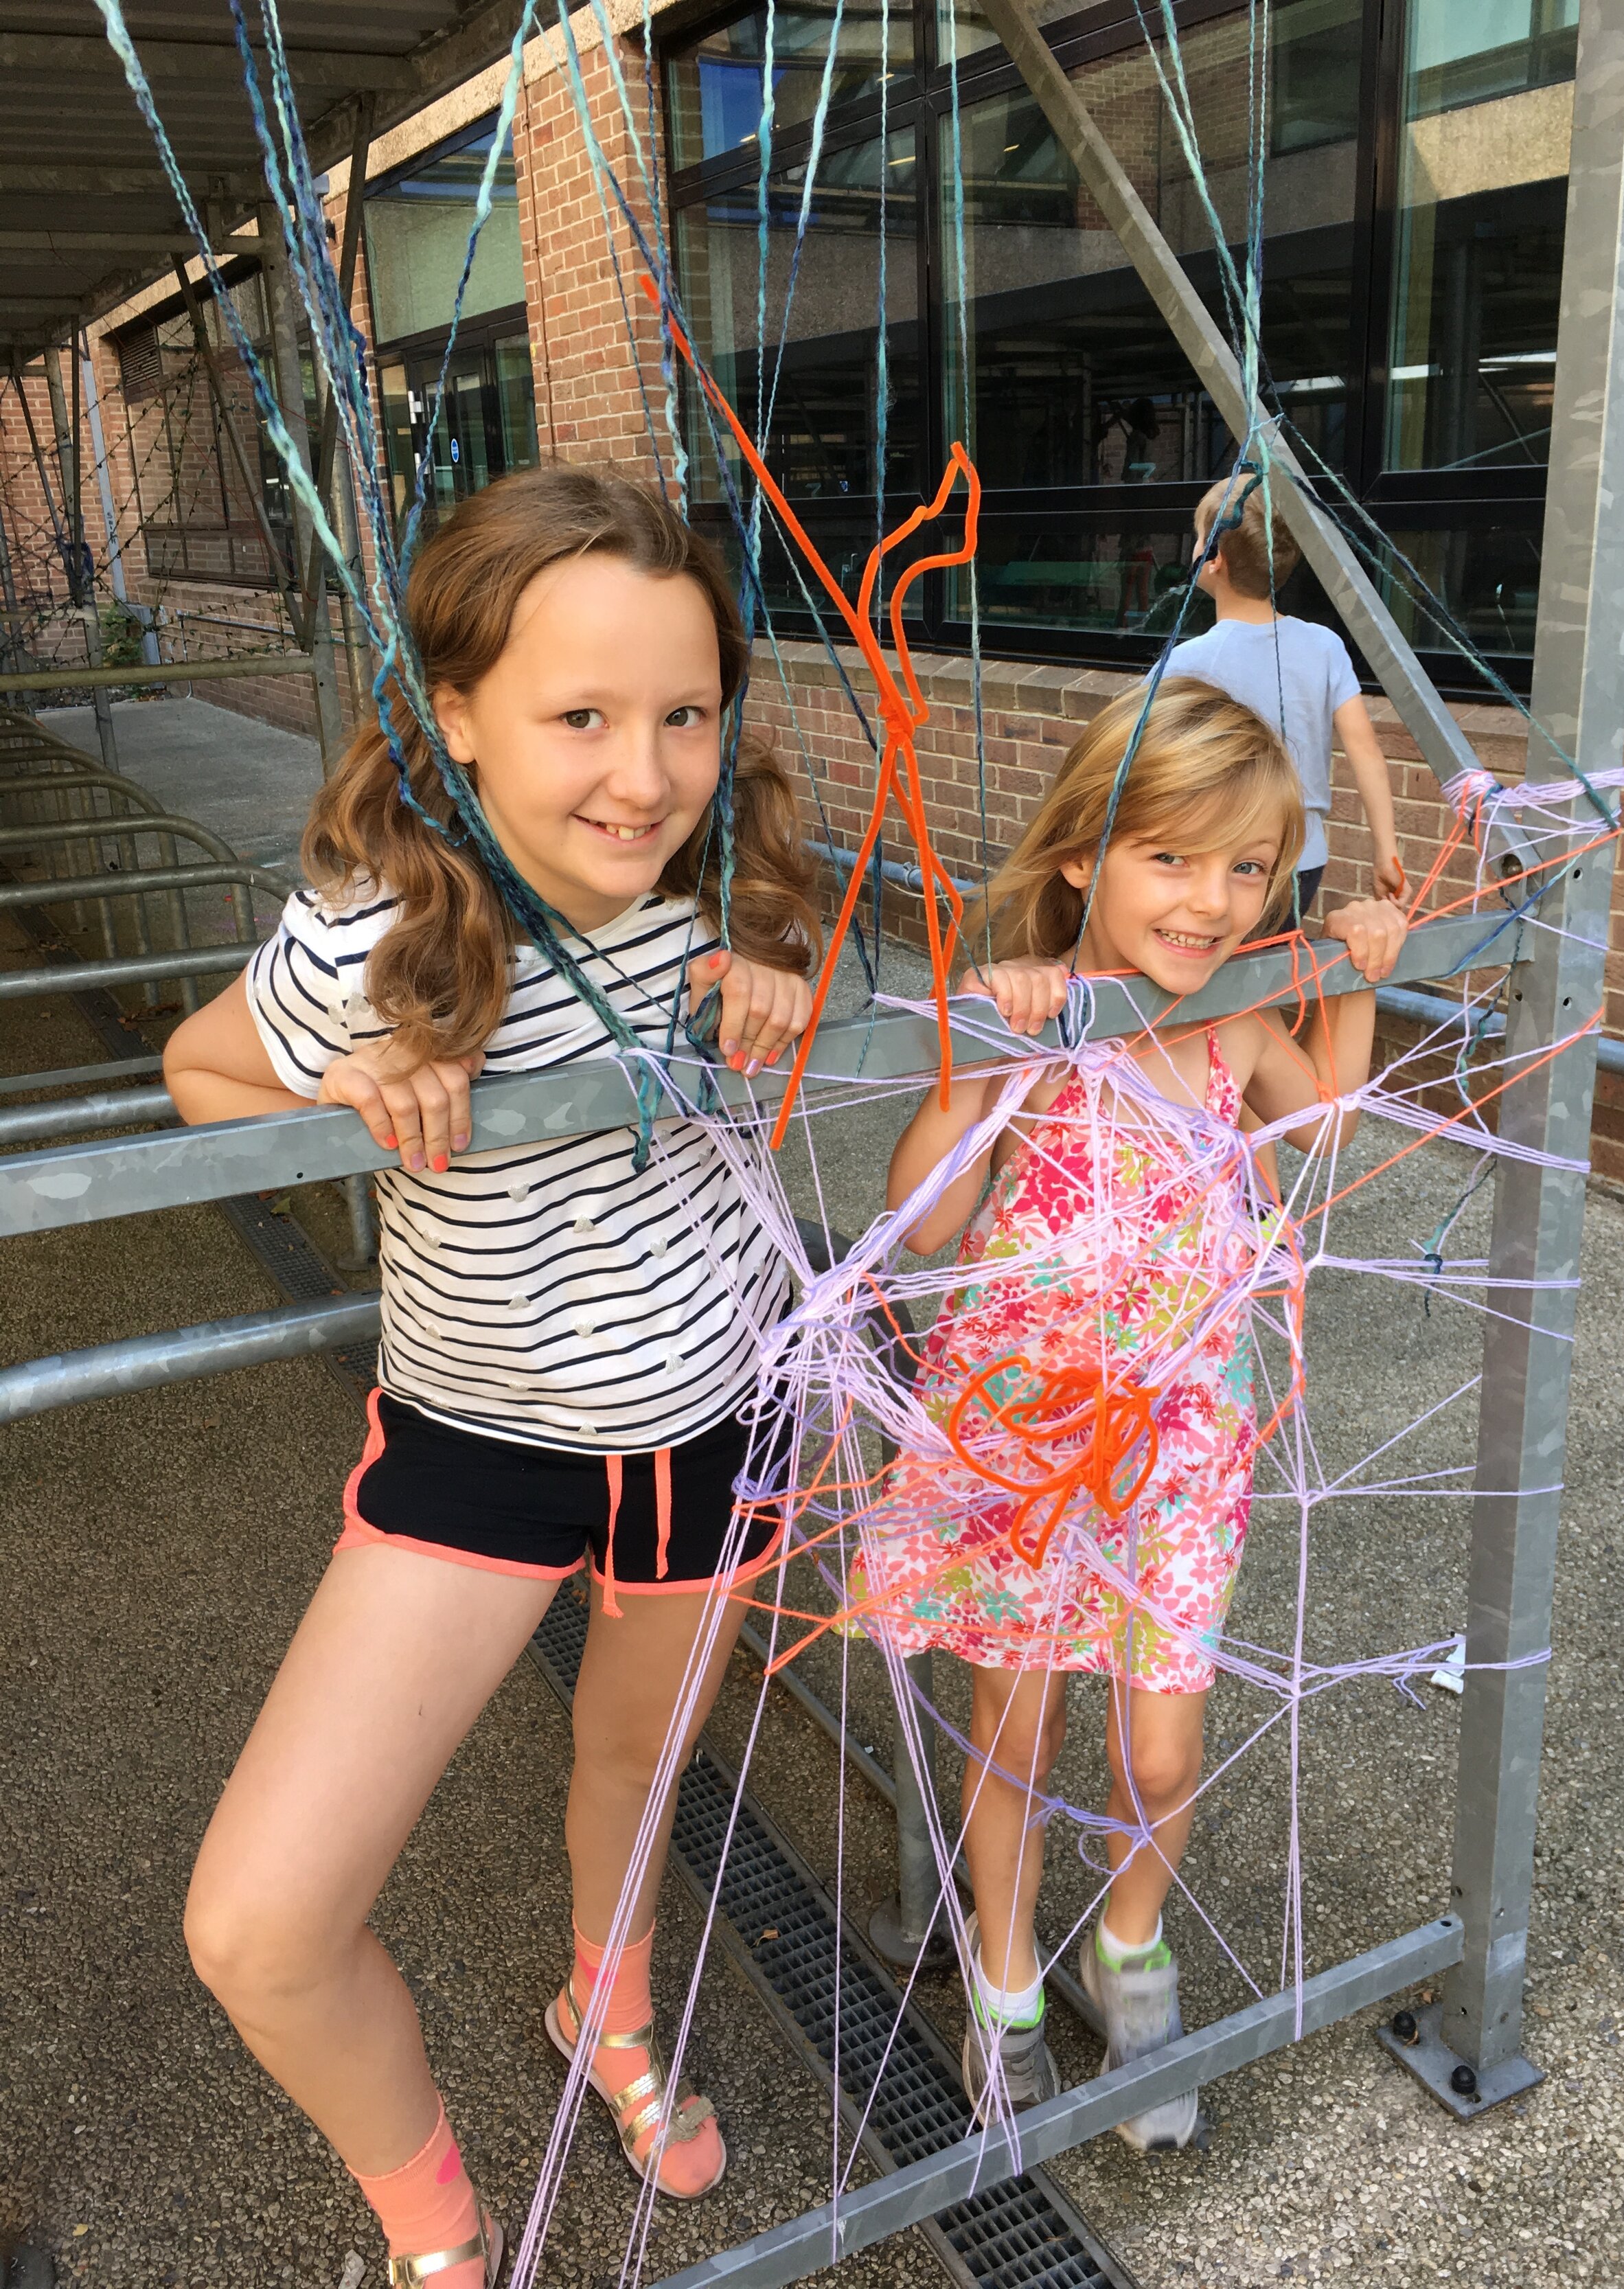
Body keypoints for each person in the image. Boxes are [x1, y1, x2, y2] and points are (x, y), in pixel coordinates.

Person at [163, 466, 821, 2284]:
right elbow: (199, 1072)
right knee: (260, 1924)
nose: (644, 774)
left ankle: (606, 2009)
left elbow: (799, 988)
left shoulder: (724, 880)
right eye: (579, 716)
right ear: (454, 717)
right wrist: (340, 1085)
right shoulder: (373, 930)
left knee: (636, 1763)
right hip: (477, 1444)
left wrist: (779, 971)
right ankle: (436, 2229)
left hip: (714, 1424)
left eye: (684, 713)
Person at [862, 680, 1406, 2148]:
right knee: (1017, 1734)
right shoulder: (1043, 1022)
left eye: (1249, 866)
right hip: (1022, 1445)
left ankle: (1128, 1947)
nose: (1212, 900)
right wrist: (988, 1044)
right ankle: (1002, 1987)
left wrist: (1354, 968)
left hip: (1182, 1450)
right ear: (1078, 857)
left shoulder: (1231, 1022)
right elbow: (925, 1224)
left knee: (1159, 1751)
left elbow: (1320, 1139)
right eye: (1171, 857)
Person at [1162, 472, 1406, 922]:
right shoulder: (1325, 645)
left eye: (1198, 538)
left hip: (1224, 866)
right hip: (1304, 862)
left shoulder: (1185, 662)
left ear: (1215, 559)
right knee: (1276, 962)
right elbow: (1366, 752)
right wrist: (1386, 853)